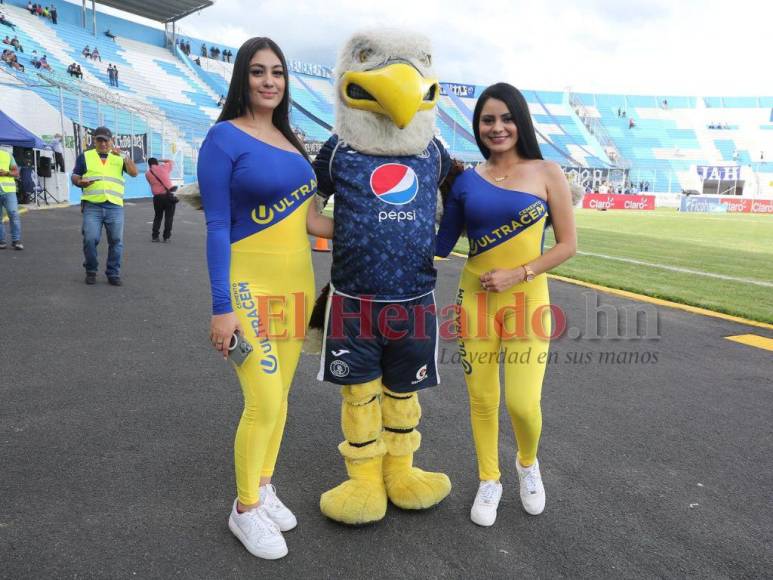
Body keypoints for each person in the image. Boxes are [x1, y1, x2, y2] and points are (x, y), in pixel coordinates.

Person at [197, 36, 332, 560]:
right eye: (258, 72)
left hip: (297, 283)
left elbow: (313, 222)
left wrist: (369, 227)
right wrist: (220, 306)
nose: (269, 80)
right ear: (242, 79)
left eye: (277, 71)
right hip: (247, 288)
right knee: (264, 398)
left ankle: (265, 483)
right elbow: (214, 227)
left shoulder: (291, 141)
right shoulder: (223, 139)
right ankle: (245, 508)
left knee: (284, 400)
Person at [435, 83, 577, 526]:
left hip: (528, 299)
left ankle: (526, 464)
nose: (497, 128)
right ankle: (488, 479)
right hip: (473, 300)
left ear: (520, 121)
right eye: (488, 120)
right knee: (481, 398)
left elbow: (568, 245)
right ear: (478, 127)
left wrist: (520, 273)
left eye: (505, 118)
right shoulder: (465, 181)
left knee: (521, 403)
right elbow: (440, 246)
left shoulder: (547, 172)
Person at [71, 126, 138, 285]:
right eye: (99, 140)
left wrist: (125, 157)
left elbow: (134, 173)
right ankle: (91, 270)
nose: (102, 143)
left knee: (116, 241)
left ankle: (113, 273)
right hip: (92, 206)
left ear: (111, 141)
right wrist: (79, 182)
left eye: (105, 140)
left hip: (114, 206)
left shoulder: (119, 157)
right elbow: (75, 175)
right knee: (90, 239)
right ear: (94, 140)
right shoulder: (85, 157)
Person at [145, 157, 176, 242]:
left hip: (157, 198)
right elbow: (170, 161)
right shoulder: (164, 167)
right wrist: (160, 160)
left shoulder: (147, 174)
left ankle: (155, 237)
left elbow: (151, 183)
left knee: (158, 217)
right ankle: (166, 237)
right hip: (169, 196)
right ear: (157, 163)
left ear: (149, 165)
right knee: (169, 217)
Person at [0, 147, 23, 250]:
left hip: (8, 190)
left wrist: (6, 173)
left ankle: (16, 240)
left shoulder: (6, 155)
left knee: (13, 214)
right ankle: (1, 241)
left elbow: (16, 173)